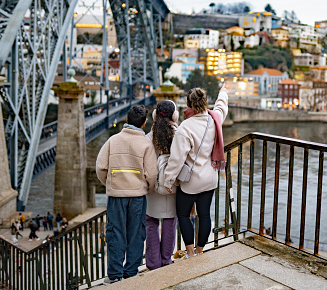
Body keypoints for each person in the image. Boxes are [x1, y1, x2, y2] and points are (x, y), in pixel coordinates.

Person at [96, 104, 158, 284]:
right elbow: (152, 175)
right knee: (136, 234)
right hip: (138, 196)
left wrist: (111, 184)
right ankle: (130, 272)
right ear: (144, 124)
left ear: (126, 121)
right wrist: (146, 187)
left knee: (115, 233)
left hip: (116, 196)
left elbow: (101, 167)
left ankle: (114, 275)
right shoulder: (146, 145)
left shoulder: (112, 141)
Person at [164, 87, 228, 258]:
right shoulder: (215, 119)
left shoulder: (185, 128)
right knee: (205, 214)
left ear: (188, 104)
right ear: (206, 102)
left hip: (191, 182)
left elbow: (176, 159)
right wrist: (223, 93)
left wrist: (168, 180)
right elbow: (222, 107)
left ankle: (190, 253)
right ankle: (201, 252)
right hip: (210, 178)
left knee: (184, 215)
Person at [144, 100, 178, 270]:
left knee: (150, 222)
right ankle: (166, 260)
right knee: (170, 222)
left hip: (152, 187)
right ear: (174, 116)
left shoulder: (148, 137)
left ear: (155, 116)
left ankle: (152, 263)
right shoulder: (179, 134)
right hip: (171, 187)